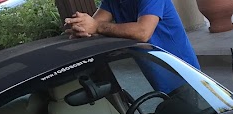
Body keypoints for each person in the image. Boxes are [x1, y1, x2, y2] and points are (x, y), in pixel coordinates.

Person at [64, 0, 200, 71]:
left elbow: (143, 32)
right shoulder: (112, 1)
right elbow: (93, 25)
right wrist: (81, 28)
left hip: (181, 70)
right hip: (157, 71)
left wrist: (96, 27)